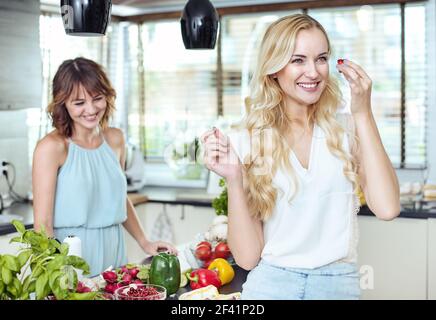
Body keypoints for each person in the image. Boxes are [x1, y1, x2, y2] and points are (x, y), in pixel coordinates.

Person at [201, 14, 400, 300]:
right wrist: (234, 178)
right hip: (270, 285)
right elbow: (247, 258)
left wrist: (363, 112)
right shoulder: (251, 137)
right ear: (274, 70)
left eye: (321, 58)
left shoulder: (347, 128)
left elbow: (388, 208)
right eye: (298, 60)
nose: (314, 71)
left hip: (337, 284)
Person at [32, 57, 177, 277]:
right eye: (79, 103)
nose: (90, 110)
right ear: (63, 103)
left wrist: (144, 242)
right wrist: (57, 274)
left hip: (114, 253)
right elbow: (42, 225)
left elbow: (119, 197)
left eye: (97, 99)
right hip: (69, 258)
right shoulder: (51, 147)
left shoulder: (115, 139)